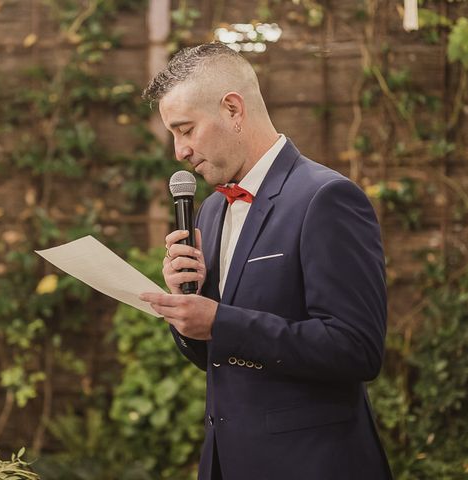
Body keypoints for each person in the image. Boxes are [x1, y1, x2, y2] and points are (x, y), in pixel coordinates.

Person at [139, 42, 392, 480]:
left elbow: (358, 350)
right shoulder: (212, 209)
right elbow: (220, 357)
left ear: (233, 110)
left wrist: (221, 321)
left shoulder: (326, 198)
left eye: (185, 130)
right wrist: (187, 311)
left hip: (313, 465)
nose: (179, 151)